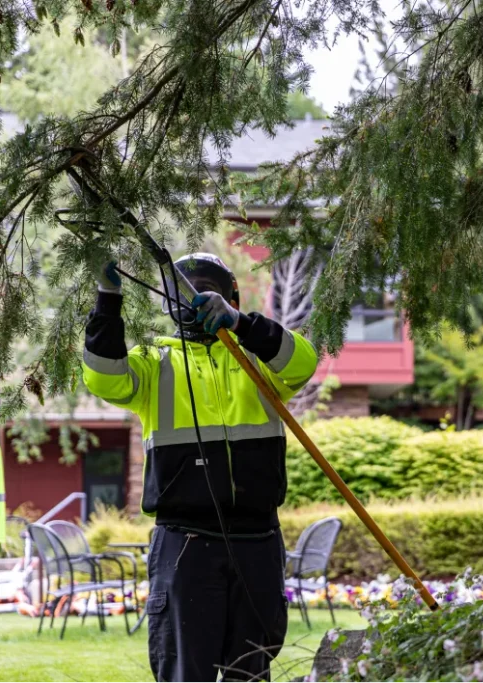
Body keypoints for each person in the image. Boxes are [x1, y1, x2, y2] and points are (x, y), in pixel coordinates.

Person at [82, 253, 318, 683]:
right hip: (185, 543)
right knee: (184, 669)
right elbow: (103, 375)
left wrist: (242, 324)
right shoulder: (153, 362)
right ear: (168, 303)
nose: (196, 298)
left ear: (231, 296)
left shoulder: (258, 359)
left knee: (251, 669)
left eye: (209, 288)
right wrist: (107, 297)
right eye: (185, 291)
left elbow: (303, 362)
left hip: (258, 539)